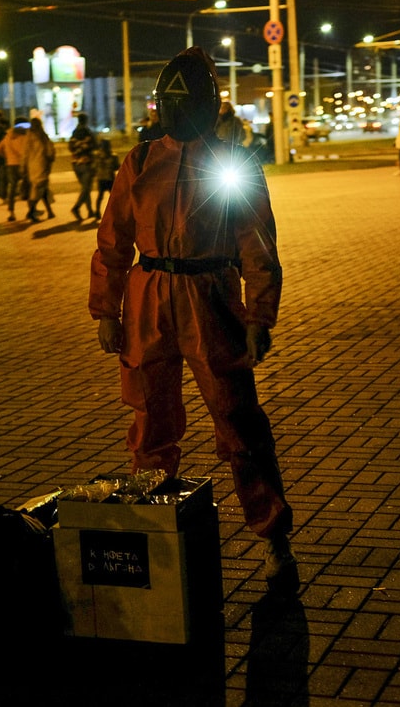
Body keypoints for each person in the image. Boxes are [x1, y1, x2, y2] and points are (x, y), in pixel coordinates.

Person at [88, 47, 297, 594]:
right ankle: (158, 538)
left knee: (238, 422)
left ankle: (274, 537)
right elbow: (113, 242)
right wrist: (106, 310)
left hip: (211, 298)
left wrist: (259, 316)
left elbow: (257, 244)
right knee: (150, 424)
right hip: (150, 298)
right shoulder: (139, 161)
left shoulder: (233, 162)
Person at [0, 116, 29, 222]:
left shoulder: (8, 136)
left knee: (12, 188)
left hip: (10, 165)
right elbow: (22, 151)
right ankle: (31, 210)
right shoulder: (22, 136)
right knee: (28, 186)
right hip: (21, 165)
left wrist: (7, 157)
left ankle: (11, 212)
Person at [22, 116, 56, 222]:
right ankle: (31, 212)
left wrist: (23, 166)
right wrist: (51, 159)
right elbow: (50, 151)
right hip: (41, 165)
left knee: (42, 189)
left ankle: (50, 211)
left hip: (31, 166)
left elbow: (25, 153)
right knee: (39, 189)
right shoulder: (42, 136)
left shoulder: (28, 136)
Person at [68, 112, 97, 220]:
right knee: (86, 188)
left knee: (86, 188)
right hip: (86, 162)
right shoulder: (87, 132)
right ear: (85, 120)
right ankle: (76, 207)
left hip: (75, 163)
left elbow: (70, 147)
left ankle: (90, 211)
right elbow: (95, 145)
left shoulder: (74, 132)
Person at [90, 138, 120, 220]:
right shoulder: (113, 156)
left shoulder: (97, 156)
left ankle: (97, 212)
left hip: (101, 178)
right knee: (113, 197)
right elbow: (116, 166)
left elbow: (94, 166)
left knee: (100, 196)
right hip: (110, 178)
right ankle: (116, 213)